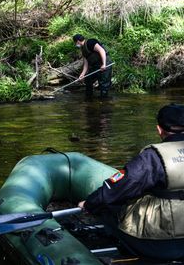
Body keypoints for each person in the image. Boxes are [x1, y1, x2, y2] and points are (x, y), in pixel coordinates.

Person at [78, 103, 184, 261]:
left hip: (160, 244)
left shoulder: (152, 157)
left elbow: (120, 187)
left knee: (108, 207)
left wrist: (89, 204)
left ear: (159, 130)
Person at [73, 34, 112, 98]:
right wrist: (82, 74)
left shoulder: (91, 42)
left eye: (75, 43)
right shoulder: (83, 49)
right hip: (96, 66)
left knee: (104, 84)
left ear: (77, 41)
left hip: (105, 63)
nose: (76, 45)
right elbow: (86, 63)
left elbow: (101, 51)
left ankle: (104, 102)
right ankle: (89, 98)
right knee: (88, 79)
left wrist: (104, 64)